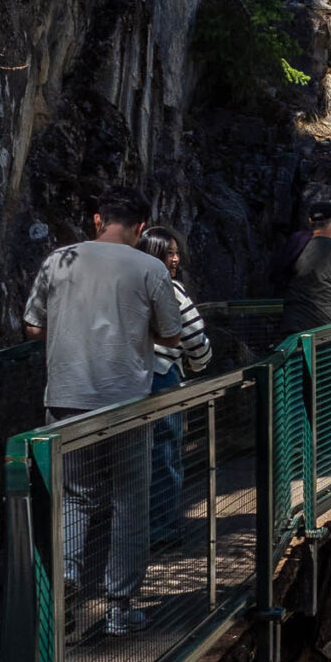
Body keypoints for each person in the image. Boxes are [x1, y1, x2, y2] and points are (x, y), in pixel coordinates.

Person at [23, 186, 185, 637]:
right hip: (125, 402)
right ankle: (118, 608)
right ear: (139, 228)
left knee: (74, 495)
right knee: (130, 500)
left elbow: (33, 326)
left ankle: (69, 581)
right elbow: (172, 336)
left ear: (97, 220)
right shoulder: (150, 267)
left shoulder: (58, 260)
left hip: (66, 397)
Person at [136, 226, 211, 545]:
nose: (176, 258)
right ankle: (162, 528)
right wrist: (200, 365)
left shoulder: (128, 285)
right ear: (153, 253)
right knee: (165, 454)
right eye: (169, 253)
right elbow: (194, 335)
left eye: (176, 252)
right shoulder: (170, 289)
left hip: (128, 377)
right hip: (163, 375)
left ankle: (135, 532)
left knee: (135, 458)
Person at [279, 195, 331, 339]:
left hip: (293, 327)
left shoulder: (294, 248)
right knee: (329, 362)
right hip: (328, 329)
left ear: (310, 221)